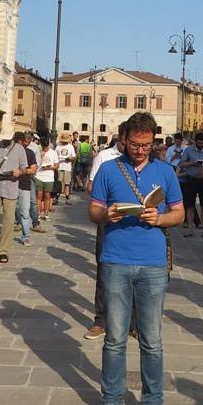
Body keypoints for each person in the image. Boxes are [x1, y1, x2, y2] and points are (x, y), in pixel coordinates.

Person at [89, 112, 183, 405]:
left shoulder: (165, 171)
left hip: (153, 264)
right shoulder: (107, 169)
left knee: (151, 339)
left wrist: (160, 219)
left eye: (147, 145)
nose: (141, 150)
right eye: (134, 144)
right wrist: (107, 214)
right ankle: (111, 400)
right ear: (123, 139)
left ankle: (152, 403)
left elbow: (179, 213)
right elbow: (93, 210)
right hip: (115, 261)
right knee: (115, 338)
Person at [85, 126, 126, 339]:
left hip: (134, 220)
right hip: (108, 218)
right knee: (104, 268)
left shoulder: (145, 160)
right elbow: (90, 186)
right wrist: (106, 201)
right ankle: (100, 320)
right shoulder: (105, 156)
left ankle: (132, 322)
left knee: (135, 272)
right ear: (122, 137)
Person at [0, 132, 28, 263]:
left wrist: (20, 172)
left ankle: (4, 251)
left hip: (11, 189)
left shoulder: (19, 149)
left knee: (8, 221)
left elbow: (24, 168)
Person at [178, 132, 203, 236]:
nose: (201, 145)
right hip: (191, 179)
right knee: (190, 205)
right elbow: (181, 164)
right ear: (195, 141)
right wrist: (193, 163)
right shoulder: (188, 150)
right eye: (199, 143)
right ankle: (191, 229)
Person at [16, 133, 39, 246]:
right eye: (24, 141)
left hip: (24, 184)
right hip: (10, 185)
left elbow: (33, 170)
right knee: (11, 211)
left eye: (28, 142)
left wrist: (22, 171)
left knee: (25, 212)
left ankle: (25, 236)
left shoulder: (29, 153)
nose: (26, 144)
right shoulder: (10, 152)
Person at [36, 136, 59, 220]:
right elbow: (35, 164)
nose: (45, 148)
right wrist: (41, 157)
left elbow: (57, 165)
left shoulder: (53, 153)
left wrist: (50, 167)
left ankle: (46, 214)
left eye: (46, 147)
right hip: (38, 176)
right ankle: (38, 214)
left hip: (49, 177)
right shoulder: (38, 152)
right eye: (44, 147)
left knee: (47, 195)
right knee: (39, 195)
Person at [56, 132, 76, 204]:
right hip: (59, 167)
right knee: (59, 183)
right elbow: (55, 156)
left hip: (67, 167)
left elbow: (74, 157)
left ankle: (67, 199)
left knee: (67, 183)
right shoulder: (58, 146)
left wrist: (70, 158)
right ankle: (57, 198)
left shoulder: (70, 147)